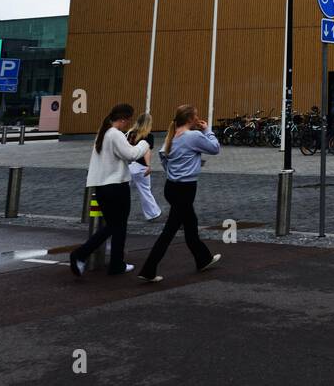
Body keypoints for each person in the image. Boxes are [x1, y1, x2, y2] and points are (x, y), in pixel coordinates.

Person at [138, 104, 222, 283]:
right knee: (169, 231)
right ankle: (148, 268)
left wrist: (173, 172)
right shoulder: (193, 136)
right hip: (185, 188)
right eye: (196, 115)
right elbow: (215, 148)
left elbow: (163, 157)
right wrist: (207, 130)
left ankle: (203, 259)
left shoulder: (172, 135)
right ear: (191, 119)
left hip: (171, 186)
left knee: (191, 225)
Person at [71, 103, 148, 278]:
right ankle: (84, 254)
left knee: (113, 225)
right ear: (122, 119)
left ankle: (115, 263)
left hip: (102, 186)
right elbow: (131, 154)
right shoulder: (115, 134)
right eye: (128, 120)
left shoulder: (104, 133)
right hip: (117, 186)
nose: (129, 124)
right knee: (118, 226)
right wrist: (144, 144)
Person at [126, 113, 161, 222]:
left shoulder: (129, 133)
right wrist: (148, 165)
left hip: (127, 166)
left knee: (123, 190)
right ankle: (153, 214)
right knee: (145, 190)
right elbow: (147, 151)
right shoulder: (148, 135)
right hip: (140, 166)